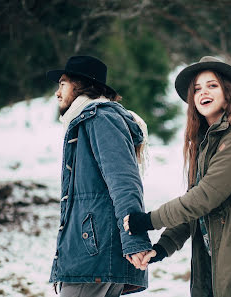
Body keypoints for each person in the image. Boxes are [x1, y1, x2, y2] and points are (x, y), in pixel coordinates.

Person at [124, 56, 231, 297]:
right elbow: (196, 204)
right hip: (222, 255)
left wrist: (148, 220)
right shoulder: (207, 141)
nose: (203, 92)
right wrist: (163, 247)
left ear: (228, 91)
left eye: (212, 85)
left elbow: (204, 197)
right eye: (197, 89)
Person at [46, 55, 152, 296]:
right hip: (93, 252)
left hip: (95, 253)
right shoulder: (85, 121)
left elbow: (124, 182)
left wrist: (134, 240)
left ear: (81, 85)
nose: (57, 93)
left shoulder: (101, 119)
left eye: (63, 84)